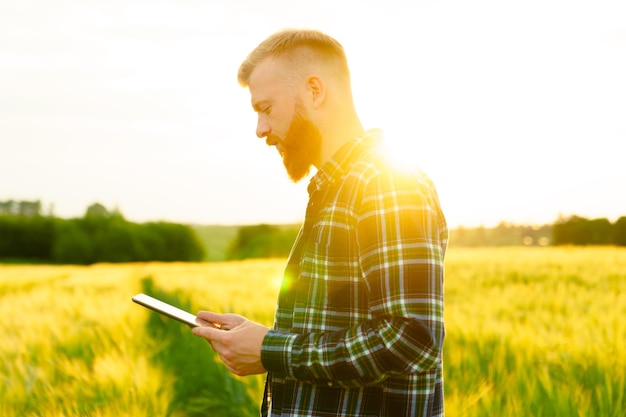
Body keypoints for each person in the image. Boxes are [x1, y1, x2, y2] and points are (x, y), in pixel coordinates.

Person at [192, 29, 448, 417]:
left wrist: (270, 350)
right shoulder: (336, 189)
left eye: (266, 107)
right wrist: (262, 339)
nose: (260, 129)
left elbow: (410, 341)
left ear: (314, 91)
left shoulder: (386, 183)